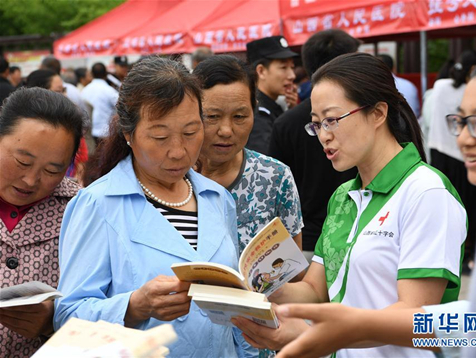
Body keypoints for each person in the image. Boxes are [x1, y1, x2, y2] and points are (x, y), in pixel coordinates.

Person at [232, 52, 467, 358]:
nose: (324, 136)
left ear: (378, 113)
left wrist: (319, 335)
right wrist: (256, 283)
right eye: (316, 125)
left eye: (332, 120)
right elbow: (316, 290)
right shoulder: (343, 195)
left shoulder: (425, 192)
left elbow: (417, 315)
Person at [54, 56, 256, 358]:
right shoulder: (98, 204)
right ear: (128, 133)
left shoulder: (216, 198)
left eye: (190, 132)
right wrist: (133, 307)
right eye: (160, 136)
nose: (178, 151)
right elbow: (67, 316)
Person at [0, 87, 84, 357]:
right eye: (22, 161)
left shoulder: (81, 210)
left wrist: (54, 322)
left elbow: (109, 306)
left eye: (52, 170)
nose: (31, 180)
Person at [193, 55, 303, 255]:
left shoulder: (274, 177)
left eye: (239, 117)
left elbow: (292, 269)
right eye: (212, 117)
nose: (226, 130)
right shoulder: (170, 177)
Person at [268, 29, 360, 261]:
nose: (325, 135)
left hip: (306, 241)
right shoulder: (360, 116)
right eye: (318, 125)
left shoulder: (286, 122)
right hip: (354, 238)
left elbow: (276, 193)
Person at [427, 50, 476, 271]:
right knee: (468, 207)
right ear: (472, 70)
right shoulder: (471, 91)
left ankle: (450, 255)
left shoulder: (439, 86)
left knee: (445, 208)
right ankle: (467, 255)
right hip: (462, 157)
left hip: (438, 155)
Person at [25, 69, 89, 183]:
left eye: (64, 90)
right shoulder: (20, 127)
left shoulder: (71, 126)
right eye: (59, 91)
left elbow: (81, 164)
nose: (64, 95)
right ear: (39, 93)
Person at [245, 36, 297, 155]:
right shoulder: (257, 113)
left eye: (292, 67)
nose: (292, 75)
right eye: (284, 67)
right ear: (261, 71)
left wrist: (292, 112)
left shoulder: (271, 106)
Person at [81, 62, 119, 146]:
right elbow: (121, 106)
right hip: (106, 134)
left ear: (92, 74)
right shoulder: (109, 91)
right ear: (105, 74)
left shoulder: (84, 90)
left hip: (89, 133)